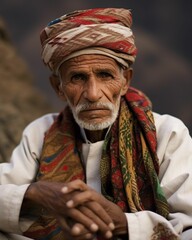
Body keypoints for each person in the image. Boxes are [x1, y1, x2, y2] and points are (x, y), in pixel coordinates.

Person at [0, 7, 192, 240]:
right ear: (58, 88)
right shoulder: (40, 132)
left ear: (124, 81)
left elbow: (187, 223)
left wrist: (124, 224)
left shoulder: (168, 133)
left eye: (105, 75)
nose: (92, 93)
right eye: (77, 78)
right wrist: (36, 193)